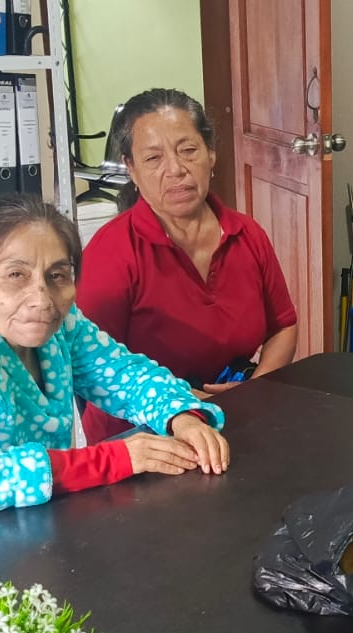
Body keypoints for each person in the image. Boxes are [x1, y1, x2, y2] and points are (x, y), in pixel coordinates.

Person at [0, 194, 230, 529]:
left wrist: (180, 415)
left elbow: (123, 374)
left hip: (31, 527)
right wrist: (111, 459)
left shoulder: (62, 324)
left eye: (57, 276)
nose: (42, 299)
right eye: (16, 275)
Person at [77, 88, 298, 443]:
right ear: (131, 169)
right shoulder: (112, 252)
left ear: (211, 154)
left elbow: (283, 325)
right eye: (153, 158)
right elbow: (90, 365)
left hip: (237, 416)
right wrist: (178, 405)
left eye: (188, 150)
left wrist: (255, 389)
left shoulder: (247, 235)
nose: (176, 170)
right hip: (140, 436)